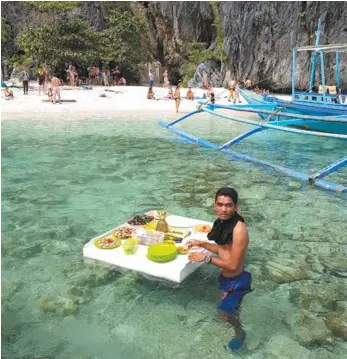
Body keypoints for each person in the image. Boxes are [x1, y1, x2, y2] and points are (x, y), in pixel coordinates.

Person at [188, 187, 252, 351]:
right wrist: (201, 244)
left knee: (227, 315)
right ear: (214, 204)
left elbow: (233, 265)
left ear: (236, 207)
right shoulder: (223, 223)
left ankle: (240, 334)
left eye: (229, 205)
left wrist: (206, 258)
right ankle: (234, 320)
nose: (223, 209)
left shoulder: (239, 229)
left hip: (236, 281)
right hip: (226, 279)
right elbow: (223, 250)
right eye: (220, 204)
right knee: (226, 313)